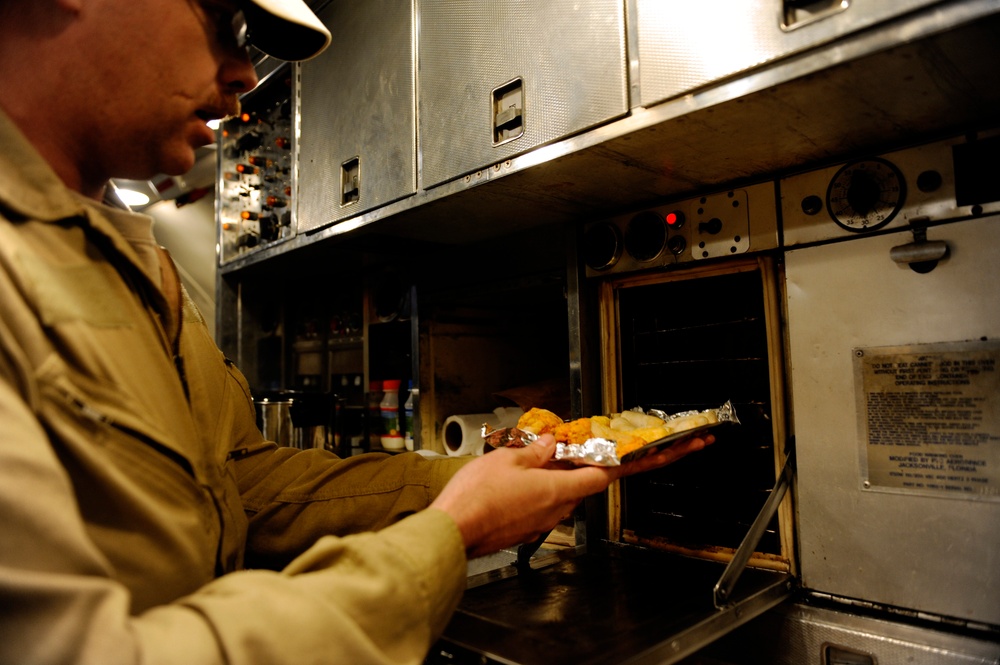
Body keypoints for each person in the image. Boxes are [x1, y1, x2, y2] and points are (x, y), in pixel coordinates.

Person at [0, 1, 714, 663]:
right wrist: (450, 533)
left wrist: (475, 477)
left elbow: (243, 480)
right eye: (225, 19)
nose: (245, 75)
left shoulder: (135, 263)